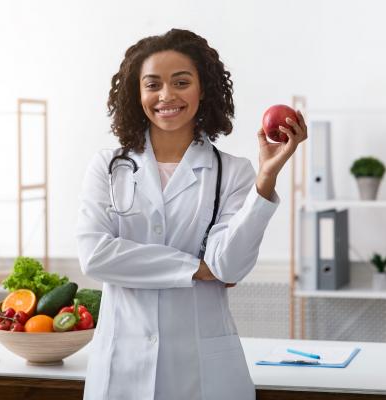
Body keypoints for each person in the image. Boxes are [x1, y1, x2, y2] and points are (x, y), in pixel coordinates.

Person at [76, 28, 307, 400]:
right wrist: (196, 268)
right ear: (138, 94)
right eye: (153, 84)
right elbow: (96, 256)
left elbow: (228, 267)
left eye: (181, 82)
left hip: (203, 372)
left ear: (203, 90)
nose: (166, 95)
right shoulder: (108, 166)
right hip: (122, 369)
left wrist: (266, 179)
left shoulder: (234, 172)